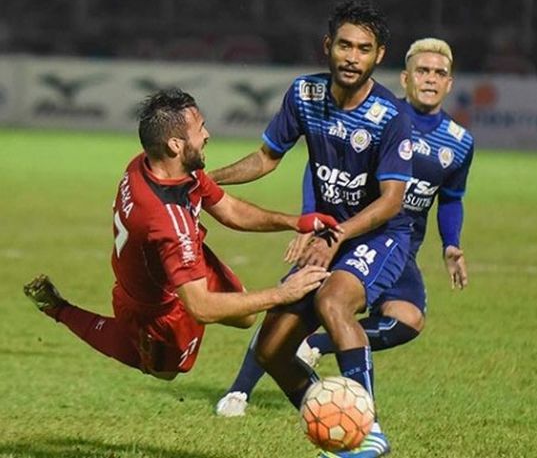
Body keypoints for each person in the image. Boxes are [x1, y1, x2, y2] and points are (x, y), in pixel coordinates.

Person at [216, 38, 474, 422]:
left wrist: (451, 245)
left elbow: (450, 198)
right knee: (293, 308)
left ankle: (345, 396)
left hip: (393, 240)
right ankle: (242, 389)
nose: (431, 79)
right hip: (342, 230)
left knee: (405, 319)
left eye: (439, 73)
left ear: (450, 83)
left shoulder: (458, 143)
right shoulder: (378, 115)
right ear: (405, 77)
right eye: (423, 70)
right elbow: (321, 167)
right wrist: (310, 219)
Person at [208, 0, 411, 457]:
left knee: (333, 300)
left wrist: (336, 234)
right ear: (328, 46)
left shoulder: (389, 117)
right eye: (344, 45)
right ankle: (338, 423)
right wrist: (207, 179)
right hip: (328, 235)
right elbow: (265, 158)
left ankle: (368, 431)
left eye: (363, 48)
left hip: (377, 237)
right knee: (273, 349)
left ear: (379, 55)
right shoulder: (304, 95)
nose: (351, 57)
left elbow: (392, 200)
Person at [22, 88, 338, 381]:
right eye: (200, 128)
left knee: (245, 317)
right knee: (165, 372)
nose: (207, 135)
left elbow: (228, 209)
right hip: (154, 308)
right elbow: (200, 307)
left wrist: (295, 221)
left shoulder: (153, 165)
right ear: (175, 144)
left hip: (181, 257)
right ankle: (58, 308)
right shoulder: (166, 220)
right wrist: (282, 294)